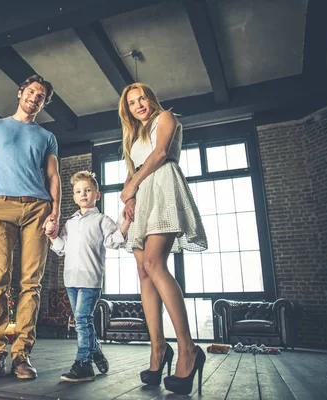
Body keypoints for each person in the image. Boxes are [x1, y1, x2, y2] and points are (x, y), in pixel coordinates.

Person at [117, 82, 208, 395]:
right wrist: (129, 198)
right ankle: (158, 350)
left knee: (156, 264)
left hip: (163, 188)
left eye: (141, 98)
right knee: (143, 272)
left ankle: (188, 349)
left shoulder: (166, 117)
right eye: (132, 102)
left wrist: (133, 187)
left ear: (151, 98)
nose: (139, 104)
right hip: (142, 196)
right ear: (127, 110)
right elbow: (132, 172)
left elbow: (160, 153)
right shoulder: (132, 136)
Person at [0, 74, 61, 380]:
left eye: (41, 96)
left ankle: (21, 355)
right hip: (0, 205)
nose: (35, 98)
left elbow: (52, 177)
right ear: (20, 93)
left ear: (43, 103)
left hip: (37, 208)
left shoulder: (46, 136)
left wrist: (56, 212)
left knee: (31, 283)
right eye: (32, 92)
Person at [46, 171, 132, 382]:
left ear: (97, 195)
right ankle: (96, 352)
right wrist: (52, 236)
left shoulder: (102, 220)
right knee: (83, 321)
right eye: (78, 191)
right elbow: (61, 248)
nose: (83, 194)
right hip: (71, 280)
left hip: (90, 280)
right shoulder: (69, 223)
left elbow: (114, 241)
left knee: (83, 320)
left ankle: (84, 364)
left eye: (87, 190)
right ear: (74, 197)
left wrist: (127, 222)